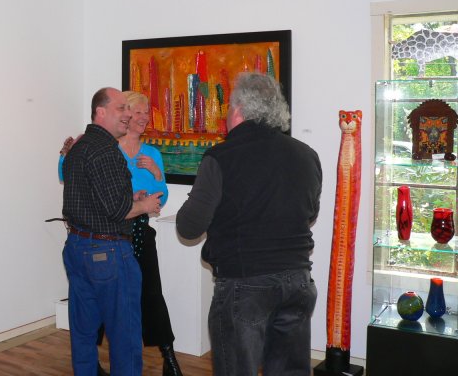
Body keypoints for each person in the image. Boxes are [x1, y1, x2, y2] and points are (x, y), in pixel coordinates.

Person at [176, 73, 322, 376]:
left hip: (245, 284)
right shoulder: (306, 155)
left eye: (229, 107)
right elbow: (309, 213)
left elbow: (189, 227)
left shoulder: (221, 156)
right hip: (297, 281)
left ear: (239, 109)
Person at [59, 91, 184, 376]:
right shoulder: (106, 151)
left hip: (77, 246)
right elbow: (119, 211)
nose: (128, 115)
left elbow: (89, 199)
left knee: (83, 331)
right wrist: (144, 205)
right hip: (108, 252)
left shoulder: (79, 147)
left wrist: (133, 197)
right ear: (101, 112)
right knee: (125, 336)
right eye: (121, 109)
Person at [118, 91, 182, 376]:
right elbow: (69, 171)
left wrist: (157, 173)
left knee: (152, 294)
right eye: (139, 112)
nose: (144, 118)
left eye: (147, 112)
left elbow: (161, 197)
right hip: (113, 232)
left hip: (141, 231)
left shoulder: (152, 153)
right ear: (126, 113)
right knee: (109, 296)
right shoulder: (109, 148)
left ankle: (169, 358)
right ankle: (92, 358)